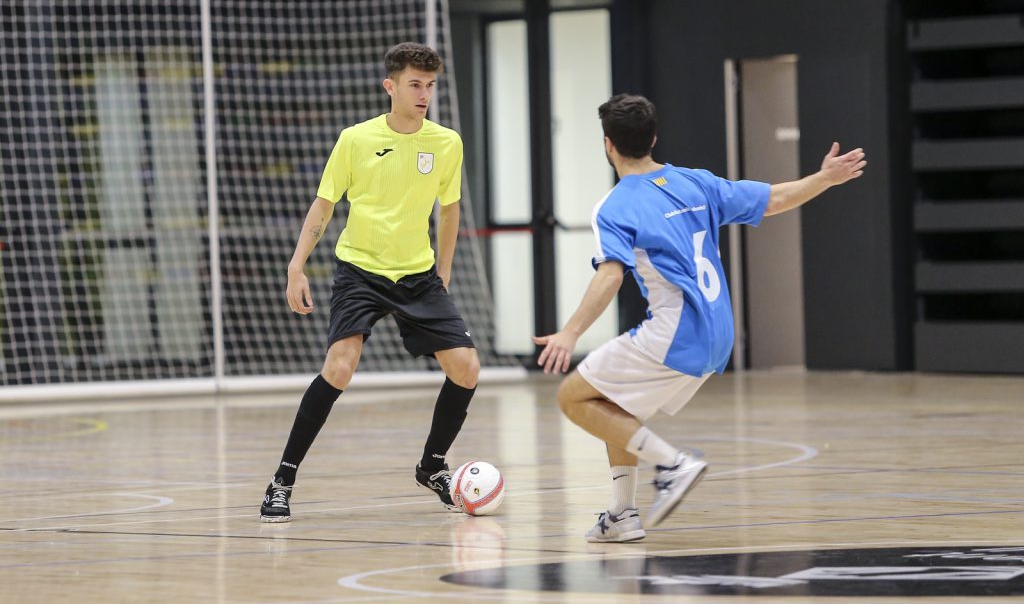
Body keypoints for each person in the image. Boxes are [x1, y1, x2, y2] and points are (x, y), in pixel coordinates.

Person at [533, 93, 866, 542]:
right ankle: (622, 514)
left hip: (676, 330)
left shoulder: (614, 206)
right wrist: (825, 178)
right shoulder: (694, 182)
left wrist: (569, 333)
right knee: (614, 404)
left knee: (572, 397)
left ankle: (673, 464)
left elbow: (611, 275)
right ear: (653, 138)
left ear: (608, 145)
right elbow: (773, 199)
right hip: (719, 331)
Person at [260, 42, 480, 522]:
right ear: (390, 87)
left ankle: (432, 467)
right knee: (340, 367)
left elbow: (450, 210)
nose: (424, 95)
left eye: (430, 85)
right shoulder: (355, 139)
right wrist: (297, 266)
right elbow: (324, 204)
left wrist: (443, 271)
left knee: (466, 368)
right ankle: (282, 480)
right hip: (360, 271)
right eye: (414, 85)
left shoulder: (446, 142)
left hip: (417, 275)